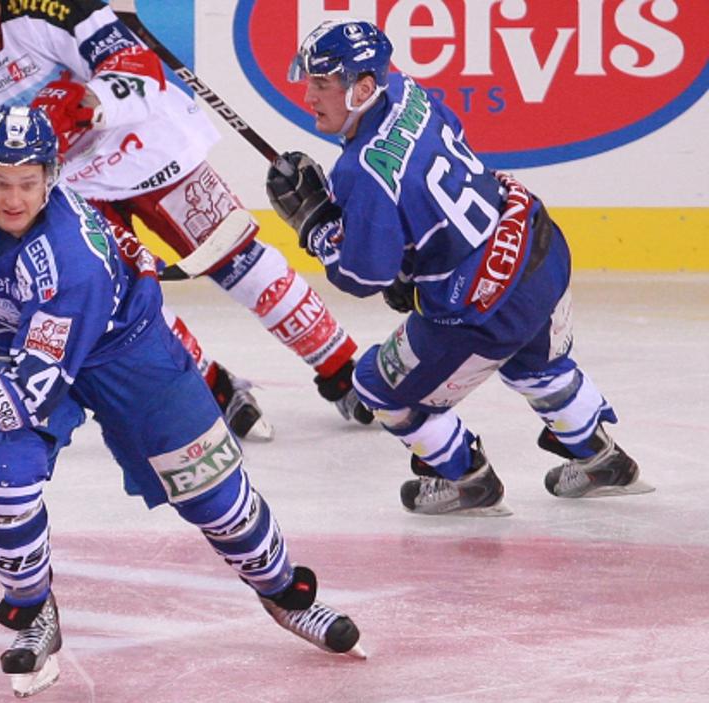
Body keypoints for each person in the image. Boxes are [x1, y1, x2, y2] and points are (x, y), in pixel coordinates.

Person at [0, 105, 366, 698]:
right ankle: (33, 614)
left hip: (128, 352)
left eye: (28, 183)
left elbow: (35, 387)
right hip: (17, 344)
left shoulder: (68, 258)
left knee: (216, 496)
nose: (12, 198)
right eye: (1, 182)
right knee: (0, 479)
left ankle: (284, 592)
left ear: (51, 177)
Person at [0, 0, 376, 436]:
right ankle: (212, 386)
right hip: (63, 193)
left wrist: (87, 105)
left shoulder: (48, 8)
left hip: (142, 145)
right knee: (127, 300)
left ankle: (342, 370)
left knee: (237, 256)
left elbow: (139, 65)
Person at [266, 20, 652, 514]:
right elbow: (428, 184)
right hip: (537, 246)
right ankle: (603, 458)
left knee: (378, 391)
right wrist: (415, 266)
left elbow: (364, 276)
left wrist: (315, 223)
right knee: (538, 367)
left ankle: (467, 479)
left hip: (485, 306)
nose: (309, 96)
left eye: (322, 84)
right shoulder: (406, 90)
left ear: (363, 87)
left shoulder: (361, 172)